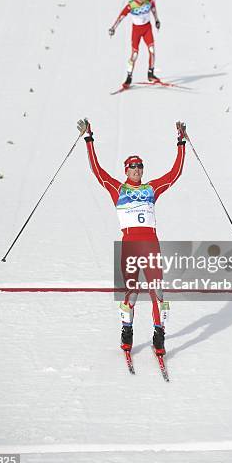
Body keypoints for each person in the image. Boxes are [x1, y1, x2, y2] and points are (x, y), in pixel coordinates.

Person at [77, 118, 187, 355]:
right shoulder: (118, 189)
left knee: (157, 290)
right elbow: (97, 170)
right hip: (129, 244)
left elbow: (174, 174)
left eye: (139, 167)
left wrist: (181, 142)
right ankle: (127, 331)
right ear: (126, 170)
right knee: (131, 291)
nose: (136, 171)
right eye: (132, 167)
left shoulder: (151, 189)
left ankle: (159, 334)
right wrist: (89, 138)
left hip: (150, 243)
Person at [109, 0, 161, 88]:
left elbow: (154, 9)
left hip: (147, 29)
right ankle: (129, 78)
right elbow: (121, 17)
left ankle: (150, 74)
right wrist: (113, 28)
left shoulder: (149, 1)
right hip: (136, 31)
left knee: (152, 50)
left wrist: (157, 20)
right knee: (135, 54)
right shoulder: (131, 5)